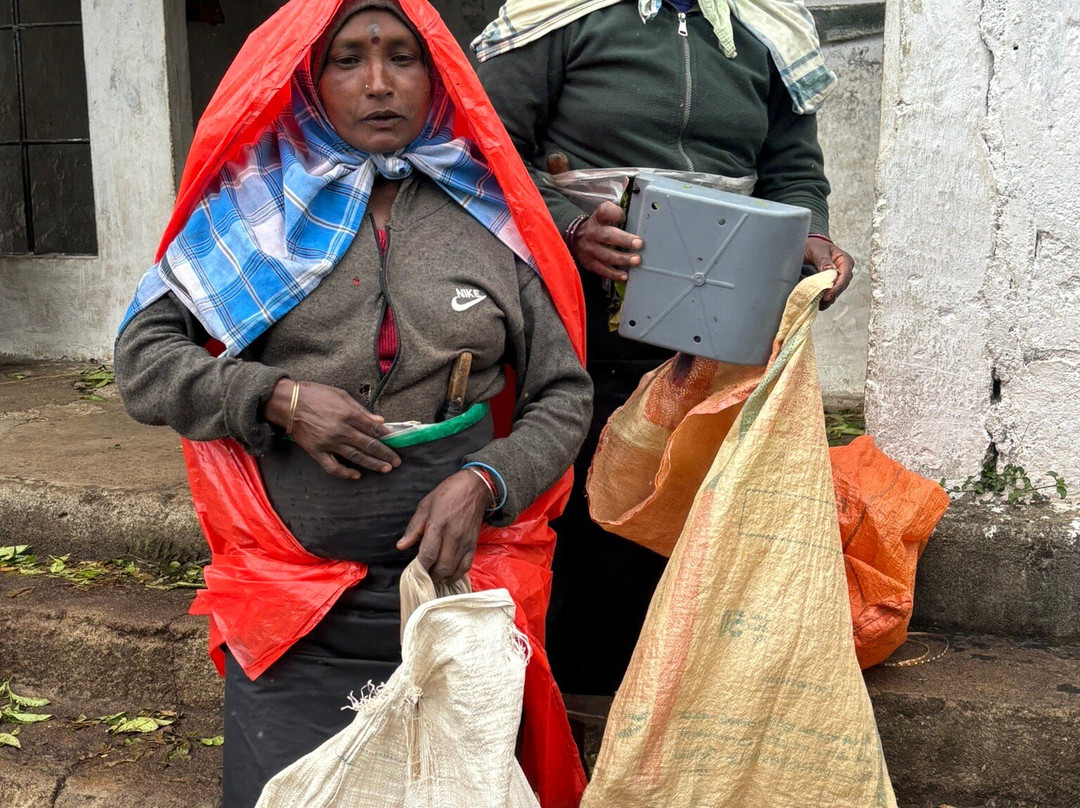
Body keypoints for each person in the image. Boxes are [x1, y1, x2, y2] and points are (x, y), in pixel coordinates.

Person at [114, 2, 591, 806]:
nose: (379, 83)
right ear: (308, 76)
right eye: (348, 61)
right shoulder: (247, 207)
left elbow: (562, 393)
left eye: (403, 57)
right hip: (295, 617)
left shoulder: (492, 214)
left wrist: (486, 480)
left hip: (455, 603)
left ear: (437, 76)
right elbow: (142, 361)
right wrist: (277, 397)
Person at [474, 0, 856, 696]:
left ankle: (676, 683)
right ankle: (574, 683)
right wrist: (570, 224)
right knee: (586, 456)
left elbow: (794, 169)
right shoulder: (557, 14)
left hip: (728, 291)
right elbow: (486, 142)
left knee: (694, 463)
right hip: (575, 290)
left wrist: (815, 240)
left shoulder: (769, 25)